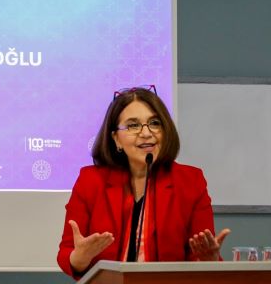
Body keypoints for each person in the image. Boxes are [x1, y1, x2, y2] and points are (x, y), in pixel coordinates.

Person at [57, 86, 231, 279]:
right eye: (133, 125)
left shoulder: (190, 181)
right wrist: (80, 258)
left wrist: (209, 260)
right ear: (116, 139)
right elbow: (67, 254)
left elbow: (201, 256)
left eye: (155, 123)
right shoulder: (91, 180)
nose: (146, 133)